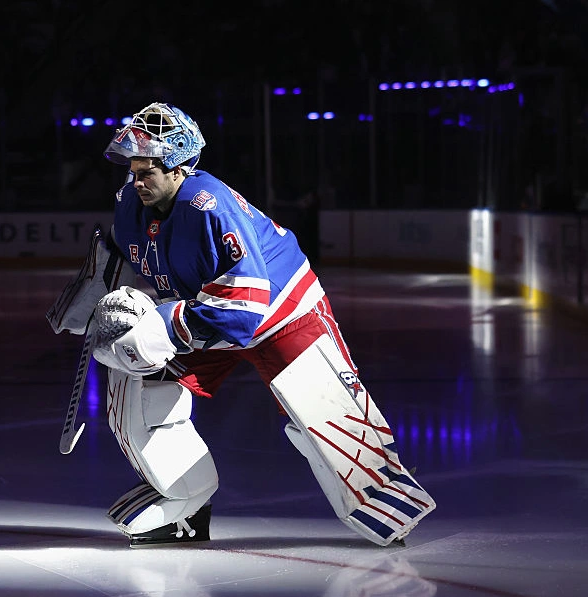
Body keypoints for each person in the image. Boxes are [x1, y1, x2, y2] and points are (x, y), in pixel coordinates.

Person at [48, 102, 435, 548]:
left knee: (320, 411)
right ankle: (183, 502)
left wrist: (162, 326)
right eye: (133, 170)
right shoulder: (131, 205)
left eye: (148, 170)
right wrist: (93, 299)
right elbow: (117, 252)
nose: (136, 181)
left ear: (179, 168)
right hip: (204, 308)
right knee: (137, 386)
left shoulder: (212, 208)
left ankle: (378, 493)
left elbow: (243, 310)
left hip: (281, 311)